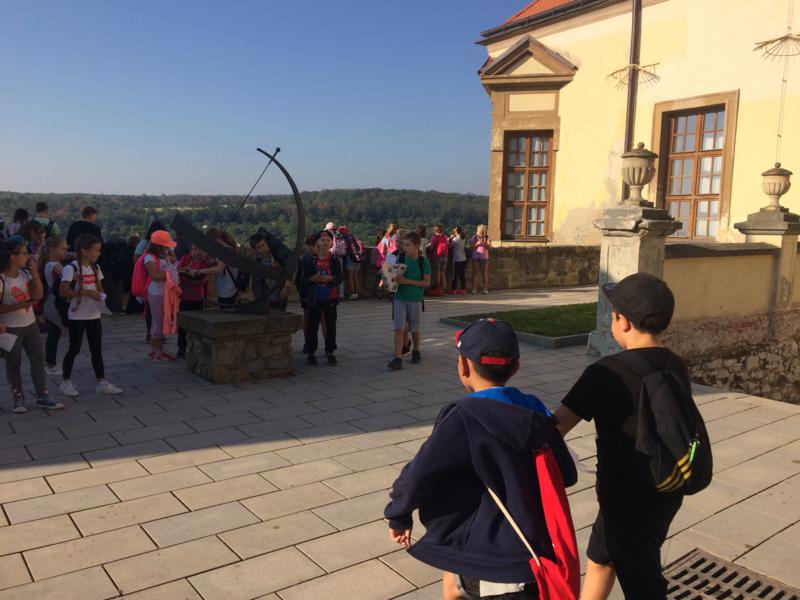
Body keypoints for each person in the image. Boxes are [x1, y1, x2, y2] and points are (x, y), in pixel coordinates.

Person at [385, 318, 577, 599]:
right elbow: (567, 474)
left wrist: (398, 514)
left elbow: (419, 474)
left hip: (486, 564)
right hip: (534, 560)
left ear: (463, 365)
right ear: (516, 367)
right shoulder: (537, 413)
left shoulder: (463, 417)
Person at [554, 273, 688, 599]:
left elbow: (556, 426)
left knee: (642, 579)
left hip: (626, 496)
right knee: (601, 555)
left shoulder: (605, 372)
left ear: (623, 322)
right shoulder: (676, 364)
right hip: (667, 484)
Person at [0, 239, 62, 412]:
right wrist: (21, 305)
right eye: (23, 253)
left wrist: (34, 273)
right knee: (13, 363)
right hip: (10, 327)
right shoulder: (2, 279)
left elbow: (38, 295)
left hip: (30, 324)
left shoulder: (24, 274)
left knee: (38, 360)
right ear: (12, 257)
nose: (27, 257)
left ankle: (43, 395)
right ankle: (18, 397)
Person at [58, 235, 122, 397]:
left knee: (96, 349)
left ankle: (101, 381)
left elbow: (99, 287)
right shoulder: (71, 268)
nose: (99, 253)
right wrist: (86, 293)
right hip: (77, 315)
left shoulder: (95, 267)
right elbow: (63, 291)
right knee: (74, 348)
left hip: (93, 313)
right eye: (96, 250)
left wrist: (100, 296)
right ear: (84, 251)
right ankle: (65, 382)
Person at [388, 232, 431, 370]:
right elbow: (393, 276)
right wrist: (389, 278)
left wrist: (407, 281)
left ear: (417, 246)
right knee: (399, 328)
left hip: (415, 299)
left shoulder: (423, 261)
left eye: (408, 245)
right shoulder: (400, 257)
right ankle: (397, 358)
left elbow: (426, 283)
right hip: (399, 298)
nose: (404, 248)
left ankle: (416, 350)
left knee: (414, 329)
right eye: (404, 245)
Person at [299, 230, 341, 366]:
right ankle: (311, 352)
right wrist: (312, 279)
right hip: (315, 297)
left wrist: (331, 279)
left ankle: (330, 351)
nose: (325, 243)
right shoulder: (310, 260)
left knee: (330, 325)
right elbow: (303, 279)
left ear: (331, 243)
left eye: (328, 240)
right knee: (312, 325)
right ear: (317, 242)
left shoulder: (334, 260)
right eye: (322, 240)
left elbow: (340, 279)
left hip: (330, 297)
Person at [143, 231, 179, 362]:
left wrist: (169, 253)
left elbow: (173, 260)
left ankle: (154, 351)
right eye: (166, 245)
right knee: (158, 323)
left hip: (163, 293)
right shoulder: (149, 258)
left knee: (156, 323)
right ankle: (158, 354)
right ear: (159, 245)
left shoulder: (163, 256)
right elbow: (155, 276)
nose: (168, 247)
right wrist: (172, 273)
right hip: (157, 293)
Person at [135, 221, 167, 340]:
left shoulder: (143, 243)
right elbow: (155, 275)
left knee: (151, 311)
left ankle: (152, 333)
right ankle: (155, 335)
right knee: (154, 311)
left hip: (152, 283)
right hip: (152, 284)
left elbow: (135, 258)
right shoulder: (150, 253)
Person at [41, 235, 68, 376]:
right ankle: (50, 364)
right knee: (54, 334)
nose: (65, 252)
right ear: (52, 249)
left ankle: (50, 363)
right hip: (55, 303)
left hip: (53, 303)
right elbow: (66, 276)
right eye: (62, 249)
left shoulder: (50, 263)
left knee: (54, 333)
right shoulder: (54, 265)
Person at [176, 244, 209, 358]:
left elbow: (201, 282)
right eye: (195, 249)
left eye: (199, 248)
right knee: (182, 325)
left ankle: (196, 348)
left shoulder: (205, 263)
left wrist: (185, 277)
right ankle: (181, 347)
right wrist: (186, 272)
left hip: (197, 297)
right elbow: (176, 271)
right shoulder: (185, 259)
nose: (197, 251)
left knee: (197, 325)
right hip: (184, 296)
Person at [192, 230, 241, 306]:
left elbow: (219, 269)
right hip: (226, 288)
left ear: (217, 239)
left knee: (226, 311)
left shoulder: (225, 250)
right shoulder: (225, 249)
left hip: (227, 289)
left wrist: (198, 271)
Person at [249, 233, 290, 310]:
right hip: (266, 300)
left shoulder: (278, 257)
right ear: (254, 249)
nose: (263, 248)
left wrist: (287, 285)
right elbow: (256, 284)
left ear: (267, 244)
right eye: (259, 247)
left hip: (280, 298)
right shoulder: (256, 263)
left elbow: (290, 268)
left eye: (263, 245)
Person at [339, 225, 364, 300]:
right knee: (355, 276)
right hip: (358, 258)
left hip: (350, 258)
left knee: (350, 277)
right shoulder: (353, 237)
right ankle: (357, 293)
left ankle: (352, 294)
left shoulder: (344, 239)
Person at [471, 224, 492, 295]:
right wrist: (477, 244)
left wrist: (485, 243)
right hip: (475, 257)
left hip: (484, 257)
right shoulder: (474, 237)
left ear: (485, 232)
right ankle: (474, 289)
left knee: (484, 273)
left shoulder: (487, 237)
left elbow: (490, 248)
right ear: (477, 232)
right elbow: (471, 247)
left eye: (483, 233)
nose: (481, 234)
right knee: (475, 273)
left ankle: (485, 289)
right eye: (480, 233)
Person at [428, 224, 449, 293]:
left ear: (435, 230)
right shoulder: (445, 237)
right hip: (445, 256)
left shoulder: (434, 237)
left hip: (437, 256)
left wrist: (429, 245)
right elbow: (447, 245)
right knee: (443, 272)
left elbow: (431, 247)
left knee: (438, 272)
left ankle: (438, 287)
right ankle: (444, 288)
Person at [449, 226, 467, 295]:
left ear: (456, 231)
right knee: (462, 275)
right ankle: (463, 289)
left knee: (455, 275)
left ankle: (454, 290)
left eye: (454, 230)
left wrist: (450, 238)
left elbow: (449, 246)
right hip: (463, 258)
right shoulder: (463, 238)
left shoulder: (456, 239)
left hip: (457, 259)